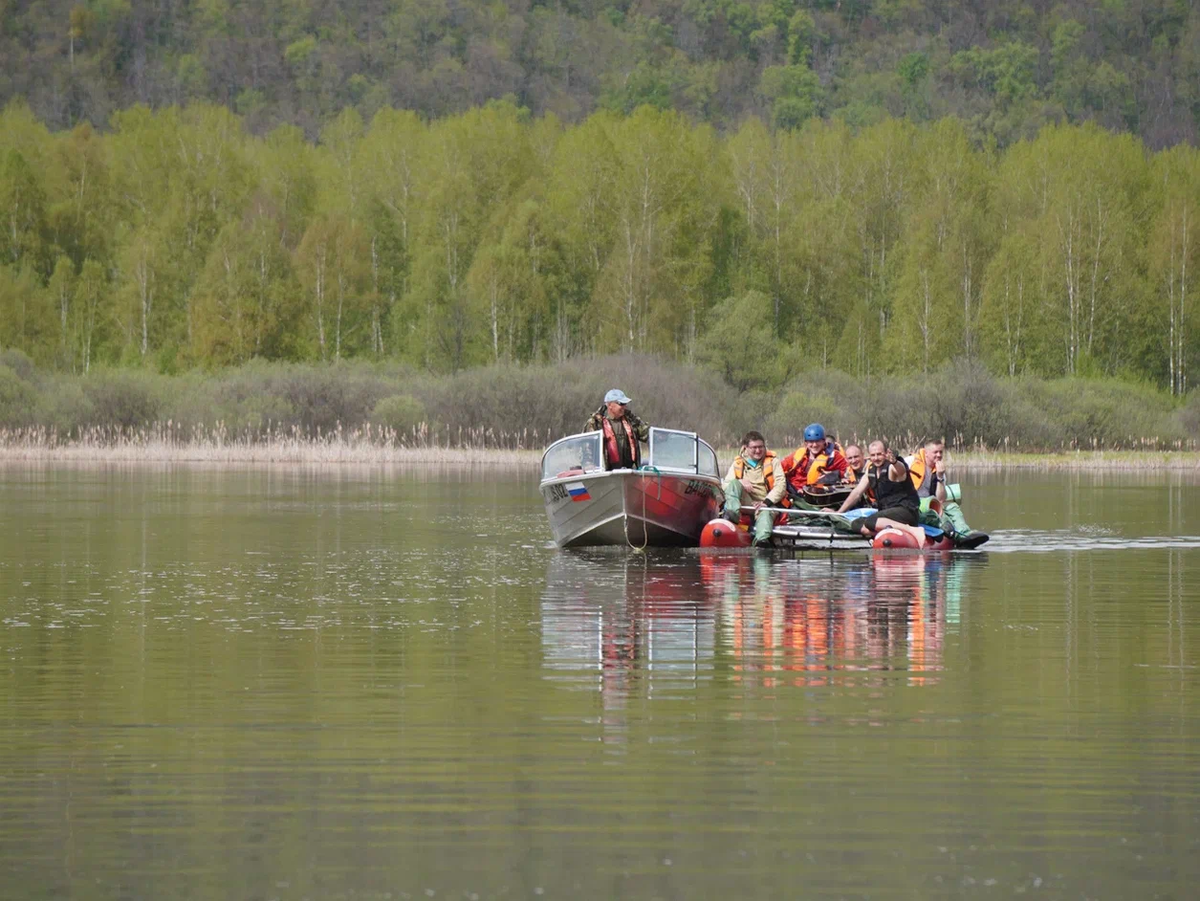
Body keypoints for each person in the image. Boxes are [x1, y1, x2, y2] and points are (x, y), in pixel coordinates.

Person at [836, 439, 927, 547]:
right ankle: (889, 533)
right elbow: (856, 493)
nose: (876, 458)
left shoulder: (892, 467)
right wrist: (839, 512)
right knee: (856, 523)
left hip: (906, 511)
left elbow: (901, 471)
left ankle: (913, 530)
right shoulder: (871, 471)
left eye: (879, 454)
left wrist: (894, 461)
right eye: (873, 455)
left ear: (886, 453)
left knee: (871, 521)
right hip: (887, 515)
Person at [722, 430, 787, 548]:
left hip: (766, 503)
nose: (758, 451)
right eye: (754, 447)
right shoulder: (737, 463)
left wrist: (766, 502)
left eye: (761, 447)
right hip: (744, 504)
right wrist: (740, 482)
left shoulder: (773, 462)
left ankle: (761, 541)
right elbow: (726, 486)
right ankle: (732, 517)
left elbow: (781, 486)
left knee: (766, 513)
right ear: (746, 448)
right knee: (734, 483)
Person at [907, 438, 978, 538]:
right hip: (914, 504)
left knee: (953, 507)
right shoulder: (910, 462)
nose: (939, 455)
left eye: (941, 452)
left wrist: (940, 477)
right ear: (926, 453)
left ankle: (965, 533)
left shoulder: (940, 472)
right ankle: (951, 533)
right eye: (935, 452)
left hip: (932, 504)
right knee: (937, 515)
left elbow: (941, 499)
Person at [584, 389, 650, 470]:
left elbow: (646, 435)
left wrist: (663, 437)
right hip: (606, 473)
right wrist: (589, 465)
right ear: (610, 405)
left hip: (629, 471)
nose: (624, 407)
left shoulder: (631, 420)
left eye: (625, 404)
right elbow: (586, 448)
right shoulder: (595, 423)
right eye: (621, 404)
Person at [781, 423, 851, 499]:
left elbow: (848, 472)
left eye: (818, 441)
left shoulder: (834, 456)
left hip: (816, 494)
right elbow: (781, 466)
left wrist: (839, 476)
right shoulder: (799, 454)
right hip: (794, 491)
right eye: (811, 442)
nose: (814, 445)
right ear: (806, 443)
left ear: (824, 441)